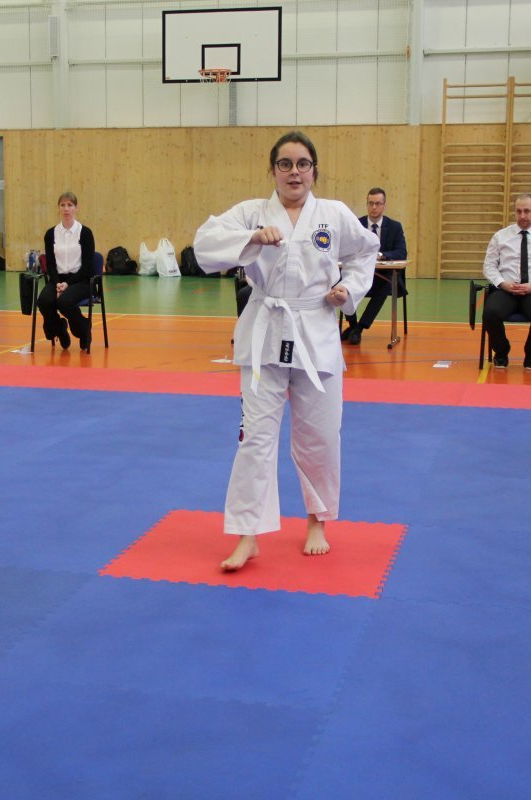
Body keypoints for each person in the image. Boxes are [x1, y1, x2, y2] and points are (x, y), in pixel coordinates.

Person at [194, 130, 378, 571]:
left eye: (302, 164)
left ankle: (317, 521)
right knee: (254, 438)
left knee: (320, 435)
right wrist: (253, 238)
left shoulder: (333, 214)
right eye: (285, 164)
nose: (294, 172)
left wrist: (348, 289)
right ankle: (248, 534)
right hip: (265, 332)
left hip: (316, 329)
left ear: (314, 170)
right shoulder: (252, 212)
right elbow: (203, 244)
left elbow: (366, 252)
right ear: (273, 170)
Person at [481, 193, 531, 370]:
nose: (522, 216)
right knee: (490, 313)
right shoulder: (500, 236)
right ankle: (501, 352)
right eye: (518, 211)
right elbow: (489, 266)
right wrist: (502, 283)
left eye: (527, 211)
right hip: (506, 290)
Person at [341, 187, 408, 345]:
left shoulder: (395, 227)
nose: (374, 207)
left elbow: (401, 252)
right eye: (370, 203)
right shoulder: (357, 224)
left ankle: (359, 328)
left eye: (378, 203)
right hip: (358, 275)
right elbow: (345, 248)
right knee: (342, 283)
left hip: (382, 278)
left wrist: (382, 255)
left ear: (384, 205)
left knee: (386, 285)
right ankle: (353, 324)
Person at [37, 191, 95, 351]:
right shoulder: (51, 234)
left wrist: (67, 284)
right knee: (44, 302)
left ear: (76, 208)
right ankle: (59, 329)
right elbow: (50, 264)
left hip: (80, 280)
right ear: (58, 208)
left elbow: (87, 267)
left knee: (64, 302)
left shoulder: (85, 233)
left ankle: (83, 330)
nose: (66, 209)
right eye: (63, 205)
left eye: (70, 205)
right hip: (58, 279)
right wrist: (57, 283)